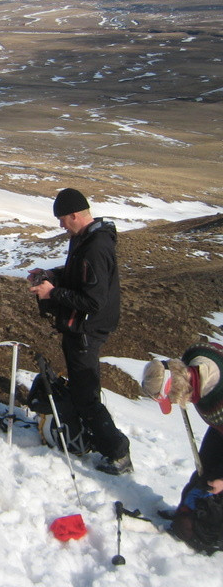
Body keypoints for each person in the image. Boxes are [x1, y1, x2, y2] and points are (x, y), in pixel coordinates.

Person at [28, 187, 132, 475]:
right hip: (80, 328)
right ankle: (94, 438)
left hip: (86, 331)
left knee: (86, 396)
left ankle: (117, 452)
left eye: (63, 219)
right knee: (82, 390)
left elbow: (93, 301)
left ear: (75, 215)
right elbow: (78, 276)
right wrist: (51, 276)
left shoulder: (95, 247)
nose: (61, 226)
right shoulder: (84, 239)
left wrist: (53, 293)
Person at [142, 343, 223, 550]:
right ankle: (188, 510)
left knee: (216, 481)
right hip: (219, 426)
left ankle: (207, 530)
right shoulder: (196, 360)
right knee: (204, 466)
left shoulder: (217, 395)